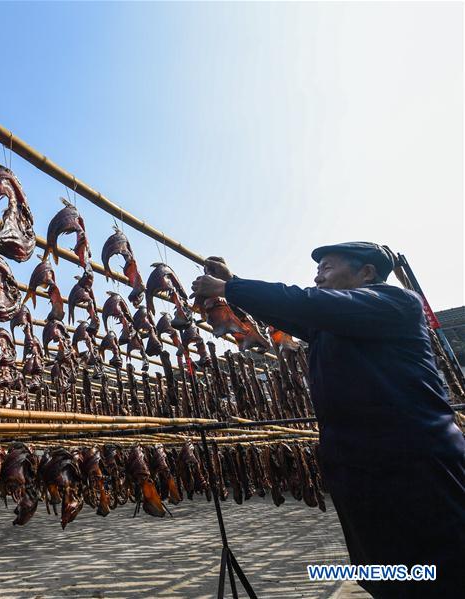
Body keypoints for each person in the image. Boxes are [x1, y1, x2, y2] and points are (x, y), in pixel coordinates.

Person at [190, 241, 465, 598]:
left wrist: (230, 289)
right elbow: (292, 314)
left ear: (366, 273)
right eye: (317, 271)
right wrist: (235, 281)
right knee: (388, 571)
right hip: (360, 469)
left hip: (416, 462)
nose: (317, 277)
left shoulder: (396, 304)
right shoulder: (330, 327)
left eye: (327, 268)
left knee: (442, 566)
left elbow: (305, 302)